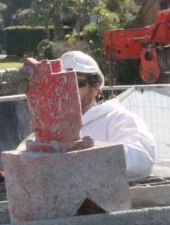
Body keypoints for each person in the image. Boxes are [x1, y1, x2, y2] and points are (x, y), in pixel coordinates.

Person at [59, 50, 156, 182]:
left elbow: (141, 159)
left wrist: (87, 156)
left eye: (76, 84)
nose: (67, 91)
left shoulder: (117, 118)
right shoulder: (56, 127)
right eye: (60, 84)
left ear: (95, 87)